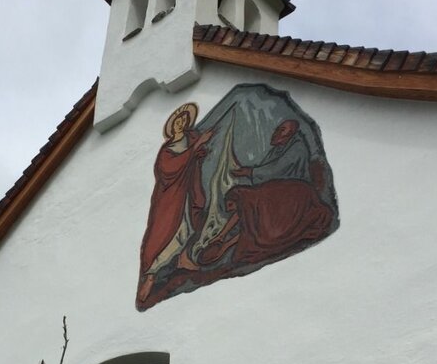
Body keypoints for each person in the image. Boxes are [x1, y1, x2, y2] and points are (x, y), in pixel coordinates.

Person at [200, 119, 333, 266]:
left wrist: (249, 172)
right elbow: (267, 173)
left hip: (296, 194)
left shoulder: (297, 147)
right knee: (248, 203)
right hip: (277, 192)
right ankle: (222, 237)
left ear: (292, 132)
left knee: (247, 198)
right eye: (278, 129)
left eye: (282, 130)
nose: (276, 132)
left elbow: (276, 169)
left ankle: (224, 240)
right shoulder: (279, 148)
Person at [137, 103, 214, 307]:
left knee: (186, 227)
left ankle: (182, 258)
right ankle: (151, 275)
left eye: (184, 120)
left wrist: (198, 154)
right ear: (172, 126)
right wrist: (195, 148)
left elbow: (191, 159)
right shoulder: (166, 150)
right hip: (170, 197)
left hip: (187, 190)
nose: (180, 123)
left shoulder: (190, 139)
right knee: (165, 232)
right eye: (177, 121)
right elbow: (169, 168)